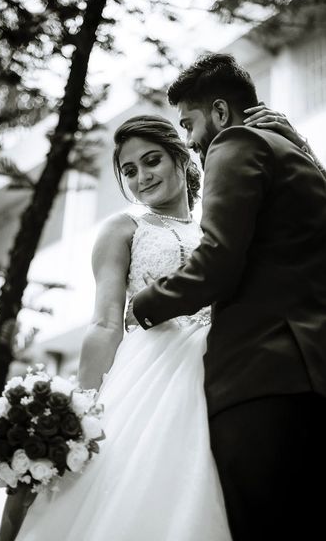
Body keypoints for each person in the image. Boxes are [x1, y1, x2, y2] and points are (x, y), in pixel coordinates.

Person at [132, 53, 326, 540]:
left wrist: (143, 306)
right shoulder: (295, 158)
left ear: (219, 113)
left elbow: (217, 262)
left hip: (260, 377)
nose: (191, 140)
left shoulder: (233, 143)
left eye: (189, 123)